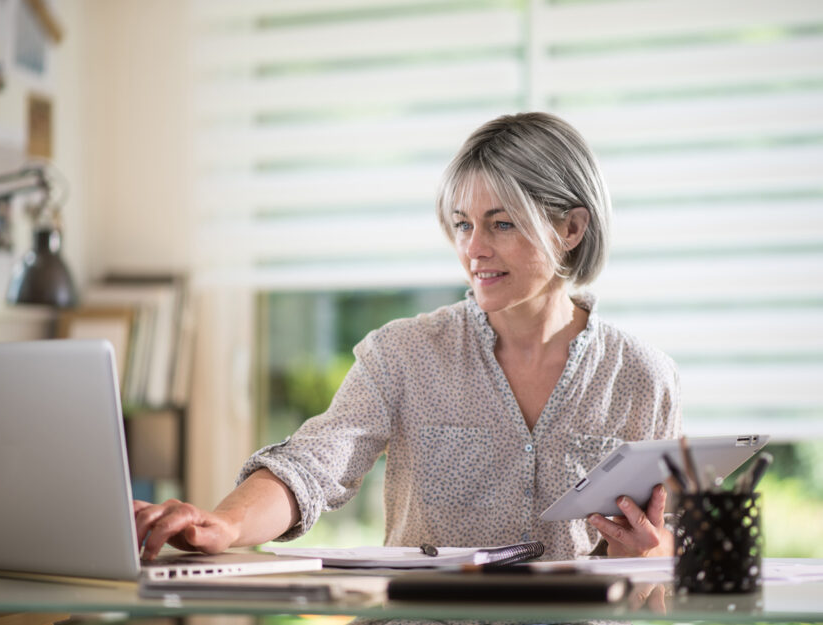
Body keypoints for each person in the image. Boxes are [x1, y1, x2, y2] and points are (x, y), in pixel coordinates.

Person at [135, 112, 681, 561]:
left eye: (502, 223)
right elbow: (312, 464)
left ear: (570, 229)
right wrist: (225, 525)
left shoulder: (642, 377)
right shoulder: (402, 354)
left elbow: (671, 547)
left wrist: (651, 551)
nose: (474, 249)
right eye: (464, 224)